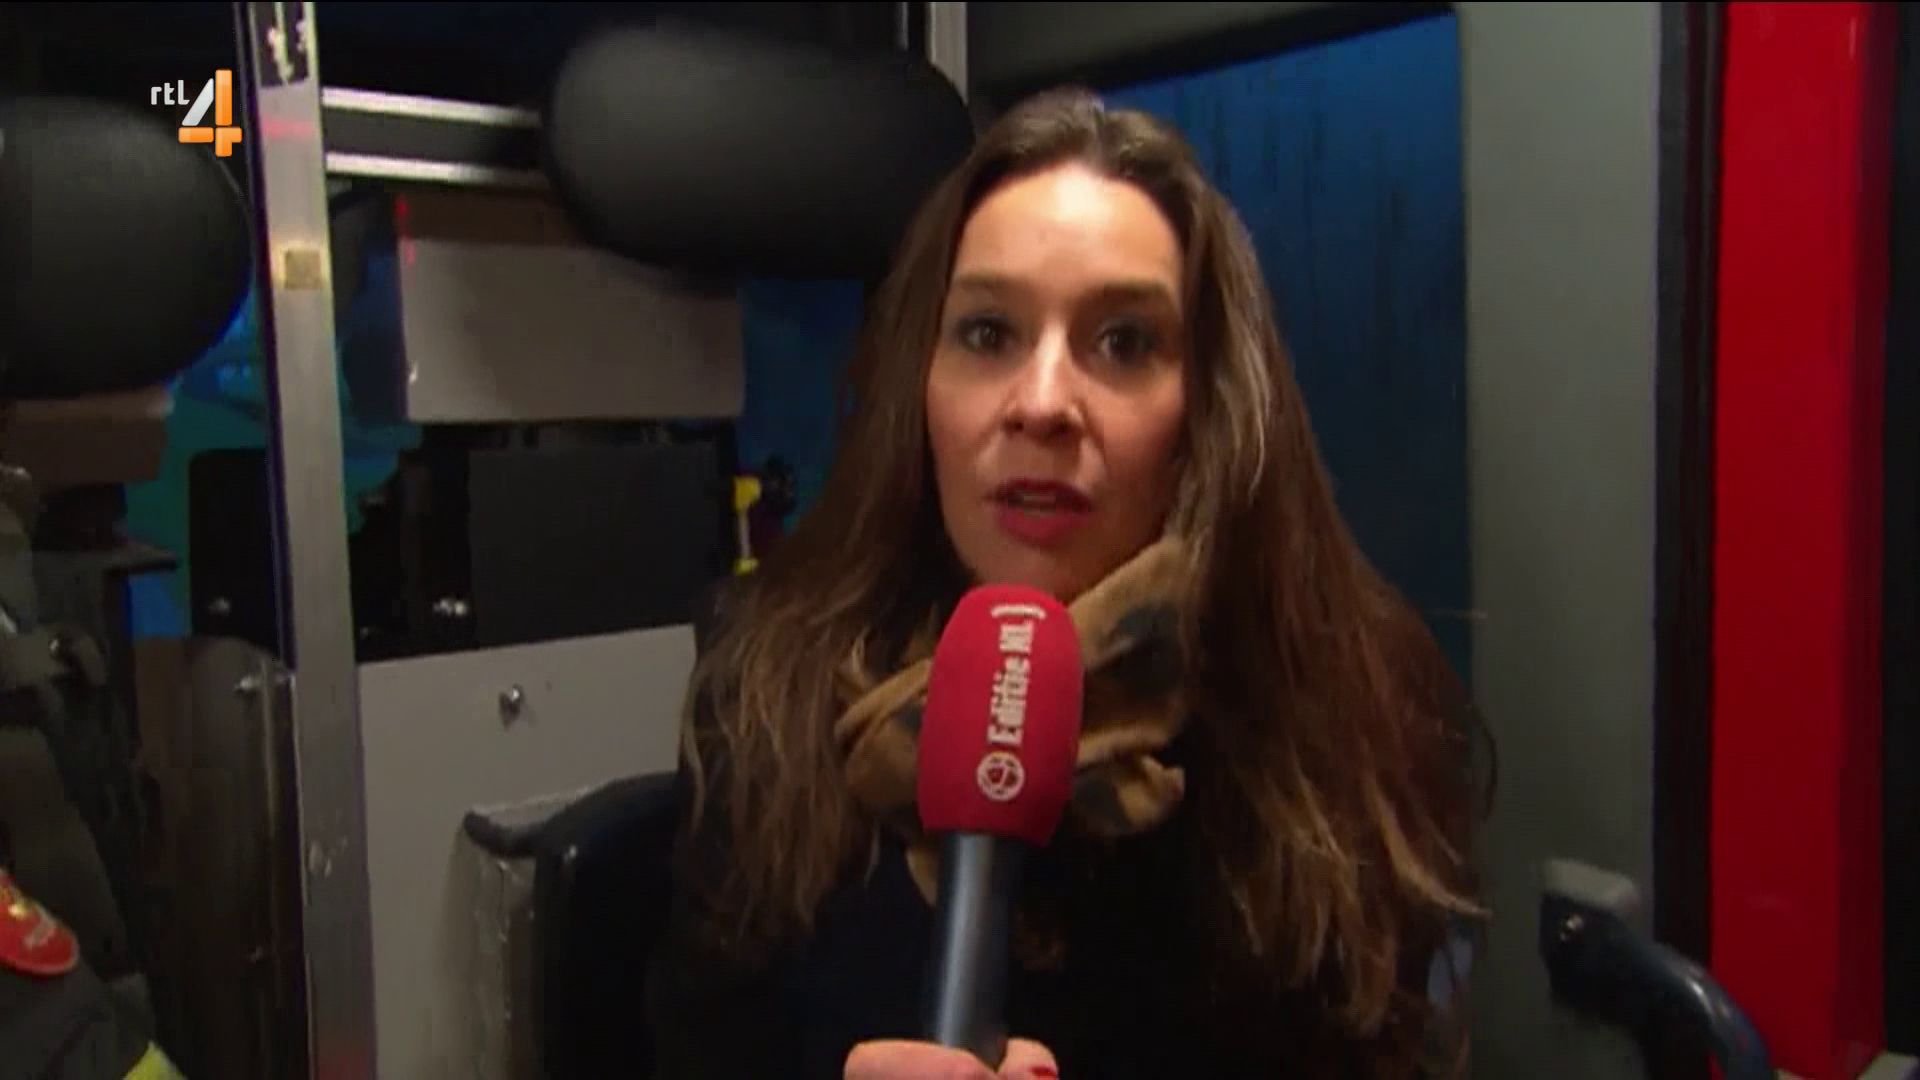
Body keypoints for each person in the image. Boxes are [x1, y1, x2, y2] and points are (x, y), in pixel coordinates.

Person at [646, 86, 1492, 1079]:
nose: (1043, 403)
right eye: (987, 333)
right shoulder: (763, 701)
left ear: (1201, 414)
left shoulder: (1346, 723)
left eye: (1123, 342)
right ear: (922, 389)